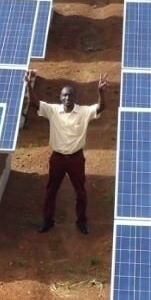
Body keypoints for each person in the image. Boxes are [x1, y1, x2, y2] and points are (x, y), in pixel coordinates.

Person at [27, 71, 109, 234]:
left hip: (76, 159)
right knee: (51, 191)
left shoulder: (83, 112)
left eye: (70, 95)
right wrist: (29, 85)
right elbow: (35, 104)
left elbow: (101, 107)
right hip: (57, 158)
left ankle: (81, 222)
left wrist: (101, 93)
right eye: (64, 95)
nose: (67, 98)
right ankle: (48, 221)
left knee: (80, 192)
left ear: (75, 98)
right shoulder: (53, 110)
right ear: (60, 97)